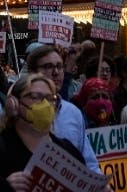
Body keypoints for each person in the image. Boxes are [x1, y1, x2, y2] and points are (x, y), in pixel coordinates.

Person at [0, 74, 86, 188]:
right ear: (14, 103)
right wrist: (3, 187)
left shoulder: (68, 151)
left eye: (50, 98)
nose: (45, 104)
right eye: (35, 97)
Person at [24, 45, 101, 173]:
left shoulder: (73, 112)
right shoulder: (22, 111)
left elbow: (88, 160)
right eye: (48, 67)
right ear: (32, 72)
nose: (56, 72)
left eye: (60, 67)